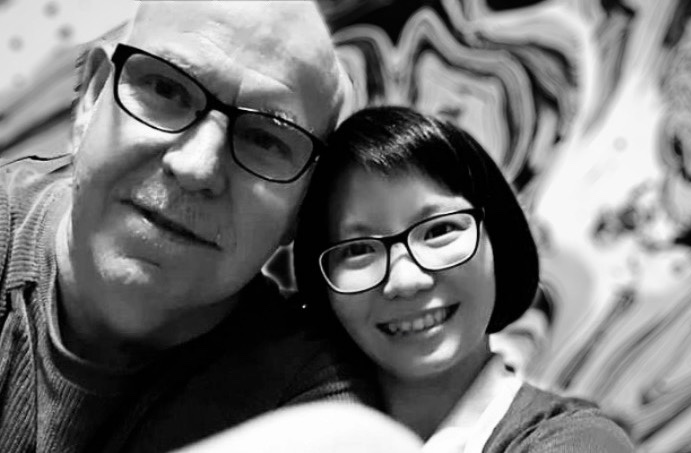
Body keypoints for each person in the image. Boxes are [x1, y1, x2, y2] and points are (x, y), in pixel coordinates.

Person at [0, 2, 375, 452]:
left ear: (303, 204)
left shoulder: (312, 404)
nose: (197, 168)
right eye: (166, 88)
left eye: (266, 138)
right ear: (94, 96)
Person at [293, 106, 635, 452]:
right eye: (358, 250)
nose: (405, 280)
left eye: (439, 231)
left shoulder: (578, 442)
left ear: (497, 240)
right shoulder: (292, 428)